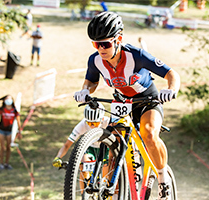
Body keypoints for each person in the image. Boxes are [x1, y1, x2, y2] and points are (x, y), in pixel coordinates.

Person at [73, 11, 180, 200]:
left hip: (147, 100)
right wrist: (85, 91)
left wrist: (171, 89)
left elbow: (171, 74)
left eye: (105, 44)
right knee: (114, 141)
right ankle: (121, 181)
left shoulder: (136, 55)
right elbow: (91, 82)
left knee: (148, 133)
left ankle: (163, 177)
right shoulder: (95, 60)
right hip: (121, 102)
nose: (101, 49)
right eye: (96, 44)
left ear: (118, 39)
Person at [0, 95, 22, 170]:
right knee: (2, 147)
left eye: (9, 99)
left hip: (9, 131)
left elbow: (18, 121)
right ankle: (1, 163)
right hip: (1, 130)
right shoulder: (2, 109)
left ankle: (7, 163)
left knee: (8, 147)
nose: (8, 100)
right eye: (7, 99)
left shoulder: (14, 110)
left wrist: (19, 132)